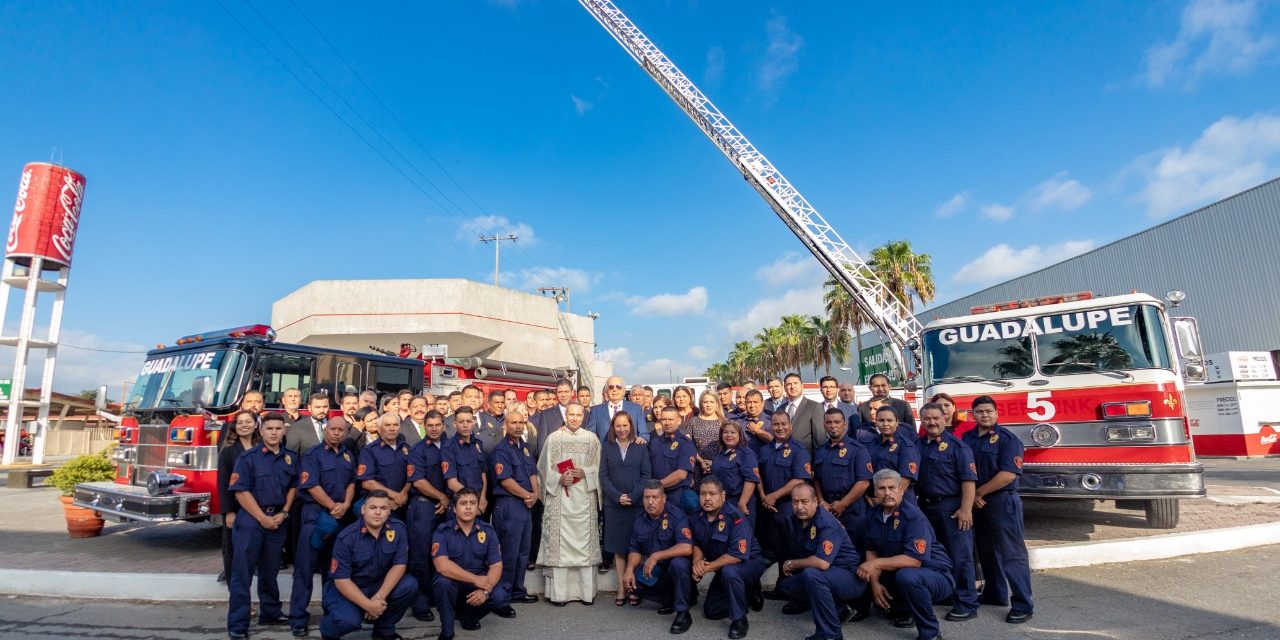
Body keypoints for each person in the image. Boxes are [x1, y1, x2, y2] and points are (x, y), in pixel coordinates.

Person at [857, 469, 954, 640]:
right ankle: (901, 609)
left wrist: (874, 565)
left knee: (908, 576)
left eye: (892, 488)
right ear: (874, 491)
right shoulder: (872, 515)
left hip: (935, 575)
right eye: (881, 488)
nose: (887, 493)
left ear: (901, 489)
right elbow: (871, 550)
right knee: (861, 568)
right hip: (901, 573)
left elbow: (914, 560)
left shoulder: (913, 516)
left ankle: (930, 633)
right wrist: (875, 584)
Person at [962, 395, 1034, 624]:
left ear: (996, 413)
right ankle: (995, 593)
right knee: (986, 552)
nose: (984, 415)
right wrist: (973, 498)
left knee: (1012, 554)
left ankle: (1023, 603)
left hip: (1002, 502)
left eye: (988, 411)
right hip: (977, 504)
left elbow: (1008, 475)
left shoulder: (1008, 439)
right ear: (972, 414)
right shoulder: (966, 439)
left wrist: (979, 494)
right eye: (980, 411)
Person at [227, 412, 298, 639]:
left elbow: (293, 488)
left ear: (284, 430)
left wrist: (284, 512)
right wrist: (262, 518)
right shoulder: (248, 458)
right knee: (242, 573)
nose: (274, 432)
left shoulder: (290, 459)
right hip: (251, 521)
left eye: (278, 428)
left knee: (270, 570)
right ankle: (238, 624)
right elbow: (241, 492)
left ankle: (270, 612)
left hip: (278, 520)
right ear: (261, 430)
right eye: (270, 429)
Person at [674, 476, 768, 639]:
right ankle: (746, 593)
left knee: (730, 572)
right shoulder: (696, 516)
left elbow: (736, 556)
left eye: (712, 493)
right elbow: (696, 543)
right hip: (722, 566)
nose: (707, 498)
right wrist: (697, 561)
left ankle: (739, 619)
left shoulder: (736, 517)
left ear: (723, 495)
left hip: (748, 562)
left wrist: (705, 568)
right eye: (703, 494)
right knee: (712, 611)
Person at [288, 417, 356, 637]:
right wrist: (332, 505)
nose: (336, 433)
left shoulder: (348, 455)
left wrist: (345, 505)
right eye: (332, 429)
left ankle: (332, 611)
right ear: (325, 430)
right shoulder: (312, 454)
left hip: (340, 518)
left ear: (346, 433)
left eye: (341, 430)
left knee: (333, 570)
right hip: (316, 517)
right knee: (305, 570)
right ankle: (298, 617)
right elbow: (311, 485)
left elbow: (352, 483)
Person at [320, 490, 417, 640]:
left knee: (409, 585)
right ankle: (328, 631)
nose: (378, 512)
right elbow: (341, 581)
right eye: (373, 508)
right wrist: (368, 605)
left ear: (389, 511)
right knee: (348, 621)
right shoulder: (346, 537)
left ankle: (383, 630)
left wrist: (378, 597)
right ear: (363, 509)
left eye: (383, 508)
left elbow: (399, 565)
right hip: (347, 587)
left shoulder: (398, 529)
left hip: (376, 585)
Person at [775, 484, 865, 640]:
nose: (799, 507)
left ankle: (831, 634)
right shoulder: (798, 520)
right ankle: (839, 609)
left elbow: (822, 563)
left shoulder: (826, 522)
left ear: (815, 501)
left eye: (804, 501)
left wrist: (792, 564)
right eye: (795, 502)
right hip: (828, 576)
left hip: (850, 577)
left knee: (812, 574)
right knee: (786, 586)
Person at [916, 401, 979, 622]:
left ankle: (967, 602)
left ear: (944, 419)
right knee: (936, 555)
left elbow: (968, 480)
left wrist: (965, 509)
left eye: (936, 418)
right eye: (927, 419)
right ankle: (948, 593)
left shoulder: (957, 446)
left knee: (961, 555)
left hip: (951, 507)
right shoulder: (918, 445)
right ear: (922, 421)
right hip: (925, 507)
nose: (931, 422)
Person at [536, 402, 602, 605]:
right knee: (561, 549)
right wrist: (558, 479)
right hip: (560, 500)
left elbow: (600, 469)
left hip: (584, 499)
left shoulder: (592, 439)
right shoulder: (554, 438)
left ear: (584, 416)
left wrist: (585, 472)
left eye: (578, 415)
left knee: (583, 547)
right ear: (565, 415)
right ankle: (560, 595)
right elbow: (543, 469)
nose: (574, 418)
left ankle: (585, 594)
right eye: (571, 414)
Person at [432, 488, 514, 639]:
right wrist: (476, 580)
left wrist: (485, 591)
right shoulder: (443, 531)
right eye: (463, 503)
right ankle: (447, 630)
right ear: (454, 509)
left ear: (478, 508)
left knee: (499, 594)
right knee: (442, 583)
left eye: (472, 503)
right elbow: (442, 565)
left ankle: (469, 617)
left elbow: (496, 565)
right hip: (454, 583)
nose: (468, 507)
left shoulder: (488, 531)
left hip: (477, 585)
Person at [620, 481, 693, 624]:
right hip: (657, 570)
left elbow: (686, 547)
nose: (650, 502)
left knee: (678, 564)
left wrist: (655, 556)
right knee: (633, 584)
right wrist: (628, 570)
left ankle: (683, 613)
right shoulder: (639, 519)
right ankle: (671, 599)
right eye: (646, 497)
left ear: (664, 498)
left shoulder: (676, 515)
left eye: (655, 497)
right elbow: (635, 549)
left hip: (675, 568)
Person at [490, 405, 541, 608]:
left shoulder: (525, 447)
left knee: (522, 551)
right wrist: (528, 495)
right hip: (509, 504)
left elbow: (532, 473)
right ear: (506, 425)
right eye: (514, 422)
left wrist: (536, 494)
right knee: (509, 553)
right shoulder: (501, 450)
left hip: (526, 505)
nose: (518, 426)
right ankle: (503, 595)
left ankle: (518, 590)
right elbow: (505, 480)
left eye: (521, 422)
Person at [600, 410, 653, 602]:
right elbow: (603, 476)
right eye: (618, 426)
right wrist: (616, 496)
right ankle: (621, 589)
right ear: (613, 428)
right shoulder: (607, 447)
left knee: (635, 548)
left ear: (631, 426)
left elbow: (646, 475)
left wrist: (632, 495)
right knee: (619, 549)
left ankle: (634, 588)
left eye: (625, 425)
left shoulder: (641, 447)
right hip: (614, 506)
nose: (622, 429)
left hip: (636, 505)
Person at [406, 410, 450, 623]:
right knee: (421, 557)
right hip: (424, 508)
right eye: (429, 425)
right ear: (424, 426)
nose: (434, 428)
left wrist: (447, 500)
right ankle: (420, 602)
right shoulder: (418, 450)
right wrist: (442, 497)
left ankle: (437, 597)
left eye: (437, 425)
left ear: (443, 425)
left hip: (447, 509)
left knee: (442, 555)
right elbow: (418, 481)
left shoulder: (451, 447)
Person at [755, 409, 812, 560]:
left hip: (789, 509)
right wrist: (763, 496)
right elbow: (757, 474)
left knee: (792, 551)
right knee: (774, 551)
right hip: (767, 508)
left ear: (790, 425)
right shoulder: (764, 450)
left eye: (783, 424)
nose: (780, 428)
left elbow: (799, 480)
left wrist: (774, 496)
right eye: (775, 424)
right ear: (771, 427)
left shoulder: (799, 450)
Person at [813, 407, 873, 538]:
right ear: (824, 425)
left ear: (845, 424)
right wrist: (821, 502)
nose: (833, 426)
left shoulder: (858, 450)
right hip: (827, 509)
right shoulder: (820, 451)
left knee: (855, 551)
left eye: (837, 422)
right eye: (829, 422)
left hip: (852, 511)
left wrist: (843, 504)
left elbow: (864, 482)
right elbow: (816, 480)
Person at [217, 410, 260, 586]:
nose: (244, 425)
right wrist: (228, 512)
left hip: (259, 506)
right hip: (236, 509)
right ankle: (233, 588)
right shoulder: (228, 451)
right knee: (233, 550)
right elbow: (222, 482)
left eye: (248, 421)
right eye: (240, 422)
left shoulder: (262, 447)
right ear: (234, 426)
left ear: (256, 424)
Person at [357, 413, 411, 521]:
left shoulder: (406, 448)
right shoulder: (369, 450)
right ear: (379, 428)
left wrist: (402, 496)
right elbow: (367, 482)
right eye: (387, 425)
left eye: (395, 425)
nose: (392, 428)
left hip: (404, 504)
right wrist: (394, 497)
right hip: (379, 506)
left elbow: (412, 475)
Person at [707, 422, 759, 528]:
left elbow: (751, 480)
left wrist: (742, 503)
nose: (729, 435)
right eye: (725, 432)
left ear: (740, 435)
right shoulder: (720, 454)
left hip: (738, 502)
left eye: (733, 432)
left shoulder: (746, 454)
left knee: (740, 537)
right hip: (721, 503)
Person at [649, 406, 699, 515]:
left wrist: (656, 485)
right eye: (664, 419)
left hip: (678, 497)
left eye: (670, 419)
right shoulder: (654, 443)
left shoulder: (686, 444)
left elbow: (681, 474)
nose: (667, 423)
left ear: (679, 420)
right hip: (657, 498)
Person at [865, 406, 920, 500]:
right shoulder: (872, 444)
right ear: (876, 422)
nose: (885, 424)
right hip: (875, 500)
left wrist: (884, 498)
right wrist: (866, 495)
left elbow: (905, 479)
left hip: (899, 501)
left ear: (897, 422)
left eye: (890, 420)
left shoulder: (905, 446)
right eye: (881, 420)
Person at [442, 406, 488, 512]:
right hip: (460, 504)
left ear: (473, 422)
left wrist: (482, 498)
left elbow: (483, 474)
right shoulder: (449, 447)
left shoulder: (478, 444)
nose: (465, 425)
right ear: (455, 424)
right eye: (461, 422)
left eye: (468, 421)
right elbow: (452, 483)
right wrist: (472, 501)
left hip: (480, 505)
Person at [853, 374, 915, 438]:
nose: (880, 389)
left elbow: (912, 431)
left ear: (889, 386)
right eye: (876, 386)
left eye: (883, 385)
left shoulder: (903, 405)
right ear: (870, 388)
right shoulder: (862, 408)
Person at [589, 376, 648, 441]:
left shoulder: (636, 409)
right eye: (611, 387)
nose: (614, 389)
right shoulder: (596, 411)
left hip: (630, 450)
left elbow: (644, 434)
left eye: (618, 387)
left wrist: (642, 438)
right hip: (605, 450)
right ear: (607, 391)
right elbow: (590, 435)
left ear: (623, 391)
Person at [781, 373, 824, 454]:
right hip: (783, 458)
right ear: (784, 388)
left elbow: (819, 439)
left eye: (795, 383)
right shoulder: (780, 409)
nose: (792, 387)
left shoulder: (814, 407)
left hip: (805, 458)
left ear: (802, 386)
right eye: (788, 384)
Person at [687, 391, 726, 474]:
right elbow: (689, 445)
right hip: (697, 466)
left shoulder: (723, 422)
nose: (708, 405)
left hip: (719, 465)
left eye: (712, 402)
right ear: (701, 403)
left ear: (717, 404)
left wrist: (714, 463)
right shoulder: (693, 421)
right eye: (705, 402)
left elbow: (727, 446)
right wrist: (701, 462)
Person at [733, 390, 773, 456]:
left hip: (765, 462)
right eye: (749, 402)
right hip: (744, 462)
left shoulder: (771, 421)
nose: (752, 405)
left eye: (755, 402)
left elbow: (775, 442)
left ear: (762, 403)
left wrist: (756, 431)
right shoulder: (738, 422)